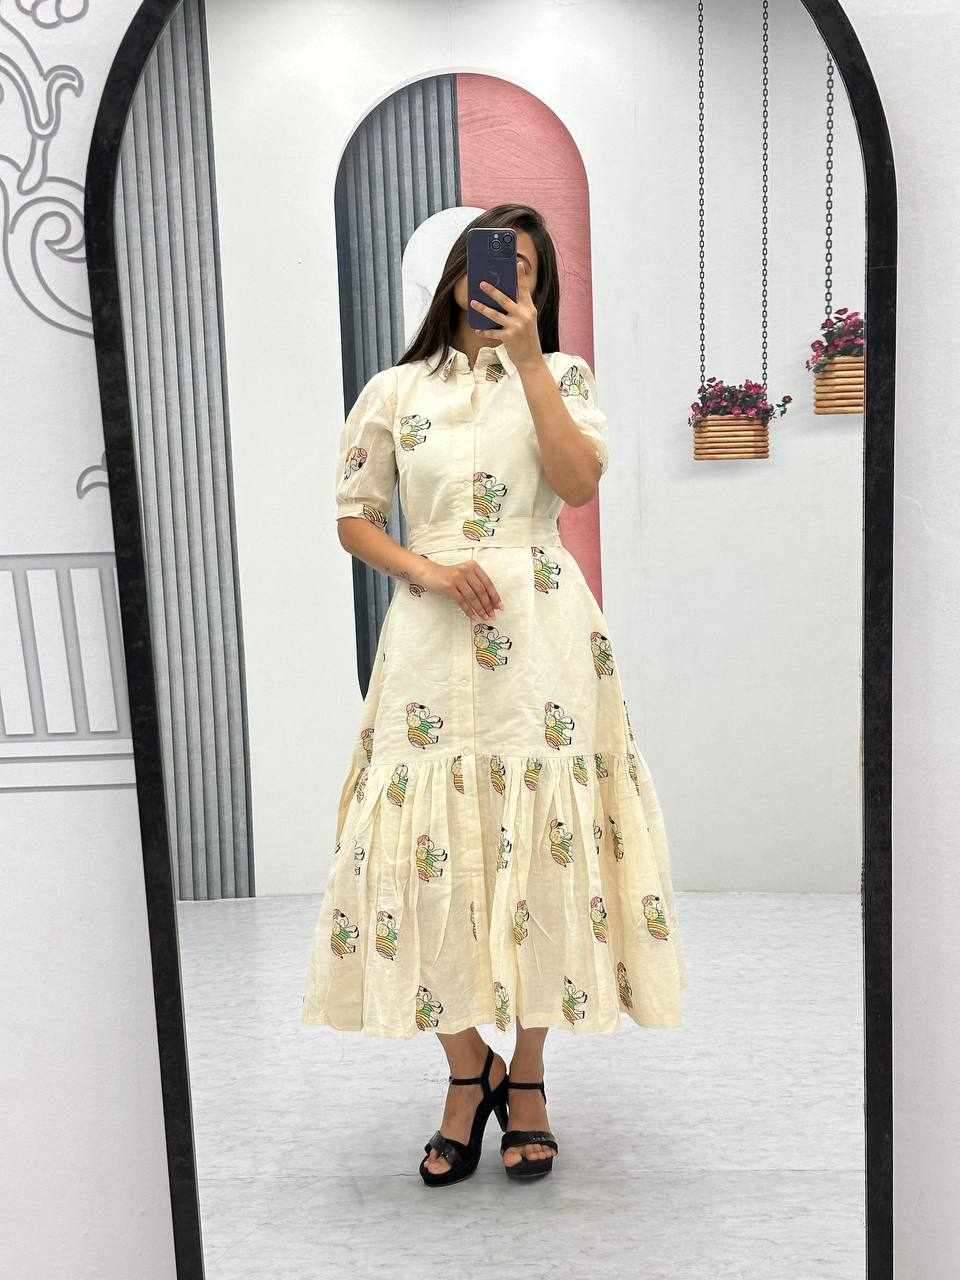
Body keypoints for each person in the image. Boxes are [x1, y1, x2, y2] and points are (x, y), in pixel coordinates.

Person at [301, 203, 686, 1187]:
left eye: (526, 269)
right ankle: (467, 1070)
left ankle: (531, 1079)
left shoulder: (564, 377)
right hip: (430, 642)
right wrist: (428, 570)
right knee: (420, 853)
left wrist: (527, 362)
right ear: (456, 276)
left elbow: (578, 482)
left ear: (541, 289)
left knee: (542, 845)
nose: (507, 279)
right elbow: (354, 515)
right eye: (493, 262)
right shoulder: (395, 390)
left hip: (542, 641)